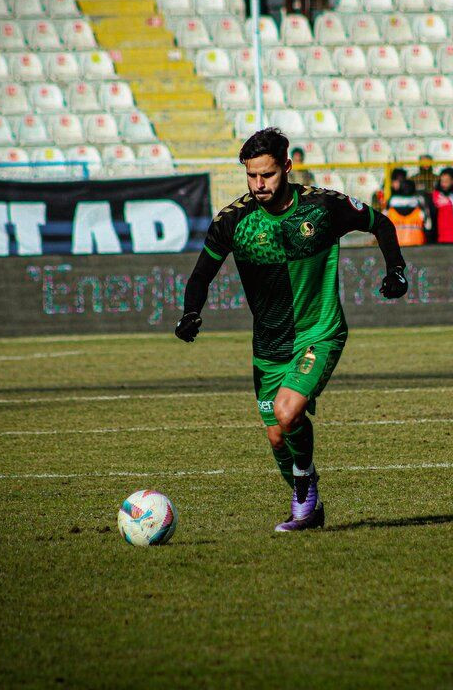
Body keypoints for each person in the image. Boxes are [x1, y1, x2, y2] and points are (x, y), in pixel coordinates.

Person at [175, 128, 408, 532]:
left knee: (287, 413)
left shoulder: (323, 207)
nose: (259, 184)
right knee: (277, 437)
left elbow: (381, 224)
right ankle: (310, 502)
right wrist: (190, 312)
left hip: (319, 330)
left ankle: (303, 493)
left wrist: (396, 270)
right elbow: (201, 274)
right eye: (251, 176)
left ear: (286, 166)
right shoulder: (233, 221)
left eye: (266, 174)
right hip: (269, 344)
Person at [386, 171, 430, 246]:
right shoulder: (420, 209)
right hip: (418, 245)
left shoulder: (390, 209)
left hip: (396, 247)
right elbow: (429, 226)